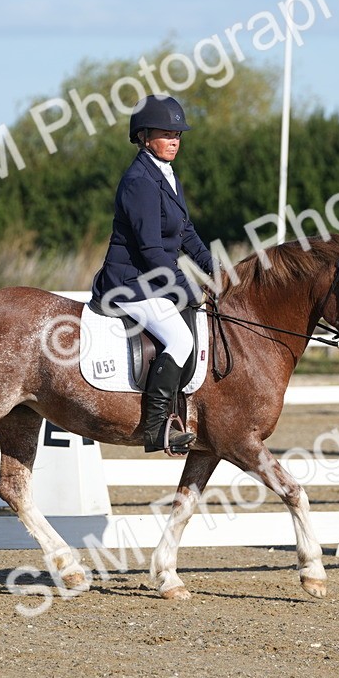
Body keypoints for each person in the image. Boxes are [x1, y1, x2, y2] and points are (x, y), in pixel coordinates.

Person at [90, 94, 216, 453]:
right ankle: (157, 427)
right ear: (144, 137)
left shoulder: (166, 175)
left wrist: (215, 269)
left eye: (178, 134)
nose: (175, 140)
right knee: (180, 340)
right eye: (167, 134)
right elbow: (151, 250)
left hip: (152, 278)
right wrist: (187, 288)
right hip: (129, 283)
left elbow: (186, 232)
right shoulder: (139, 181)